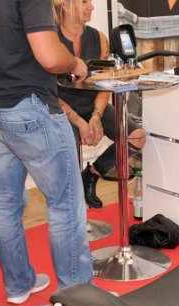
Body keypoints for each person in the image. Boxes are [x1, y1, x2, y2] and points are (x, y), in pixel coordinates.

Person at [0, 0, 93, 304]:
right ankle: (78, 298)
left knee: (5, 202)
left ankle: (18, 285)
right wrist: (75, 64)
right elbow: (50, 56)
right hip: (29, 107)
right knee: (65, 204)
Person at [54, 0, 146, 210]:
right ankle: (72, 209)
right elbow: (47, 92)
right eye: (84, 1)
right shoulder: (51, 40)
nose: (91, 6)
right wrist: (80, 123)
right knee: (69, 152)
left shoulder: (100, 38)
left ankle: (92, 174)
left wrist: (96, 116)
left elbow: (105, 84)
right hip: (61, 110)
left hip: (93, 105)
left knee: (137, 137)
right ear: (65, 5)